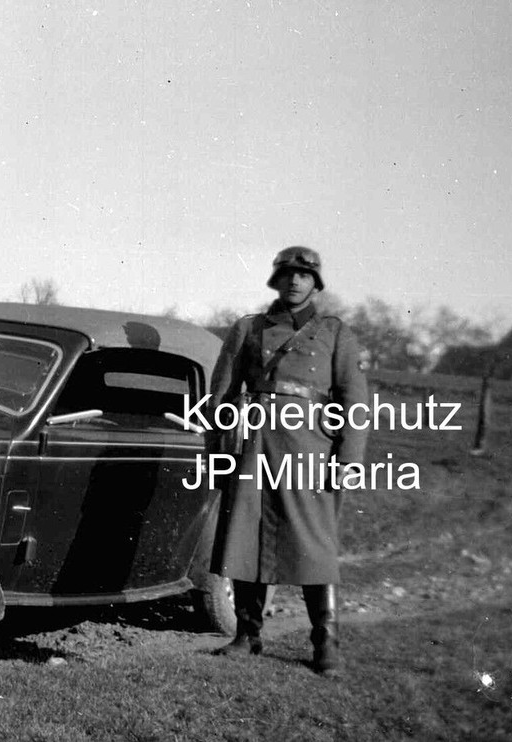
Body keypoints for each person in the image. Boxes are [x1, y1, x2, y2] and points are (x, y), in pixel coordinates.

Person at [207, 246, 368, 676]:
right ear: (275, 281)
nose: (295, 281)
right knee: (247, 533)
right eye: (287, 274)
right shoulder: (249, 329)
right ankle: (247, 634)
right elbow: (221, 393)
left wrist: (347, 458)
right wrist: (215, 447)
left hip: (310, 447)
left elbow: (355, 402)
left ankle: (325, 643)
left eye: (304, 275)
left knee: (315, 543)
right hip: (255, 443)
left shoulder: (337, 333)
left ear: (316, 284)